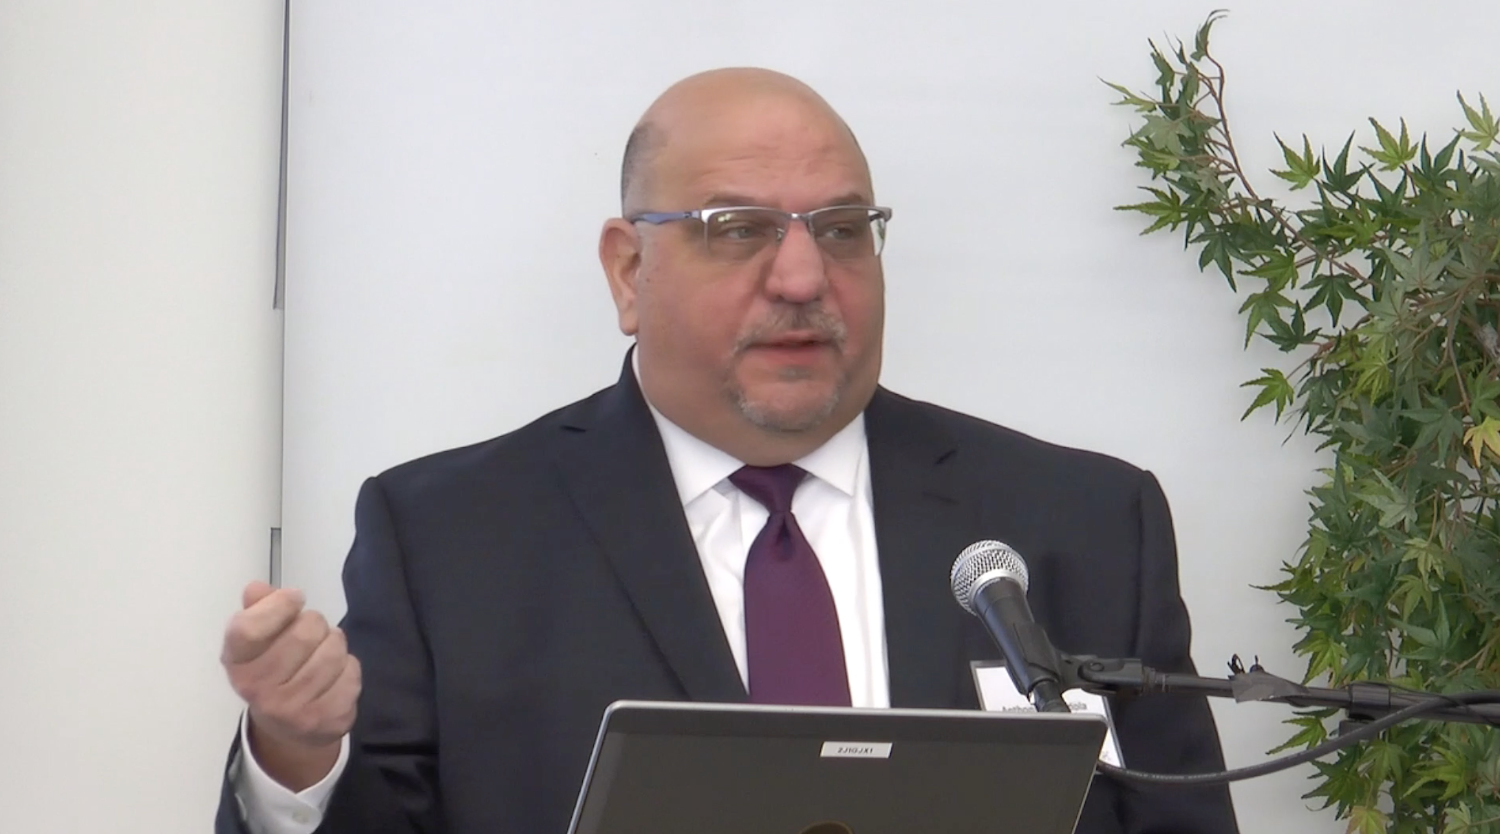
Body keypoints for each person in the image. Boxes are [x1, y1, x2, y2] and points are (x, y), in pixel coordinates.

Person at [216, 68, 1239, 834]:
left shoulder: (1081, 525)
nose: (802, 277)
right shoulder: (451, 537)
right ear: (629, 271)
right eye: (737, 228)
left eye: (841, 229)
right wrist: (296, 757)